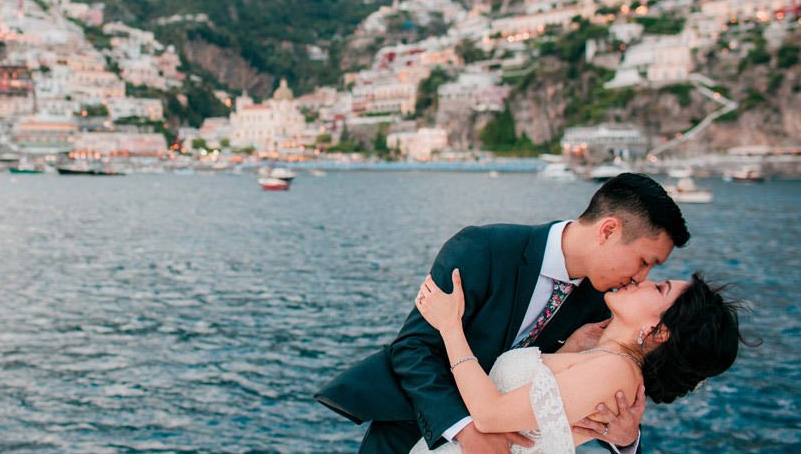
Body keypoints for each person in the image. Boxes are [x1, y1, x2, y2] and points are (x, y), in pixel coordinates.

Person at [315, 173, 689, 454]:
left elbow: (588, 397)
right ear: (608, 230)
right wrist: (465, 429)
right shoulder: (483, 248)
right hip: (410, 435)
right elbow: (413, 349)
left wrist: (626, 441)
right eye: (644, 261)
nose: (641, 278)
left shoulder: (606, 304)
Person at [410, 268, 742, 454]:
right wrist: (569, 350)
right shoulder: (604, 360)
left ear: (659, 331)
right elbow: (542, 413)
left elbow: (491, 415)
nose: (643, 279)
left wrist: (450, 326)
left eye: (658, 288)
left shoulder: (616, 372)